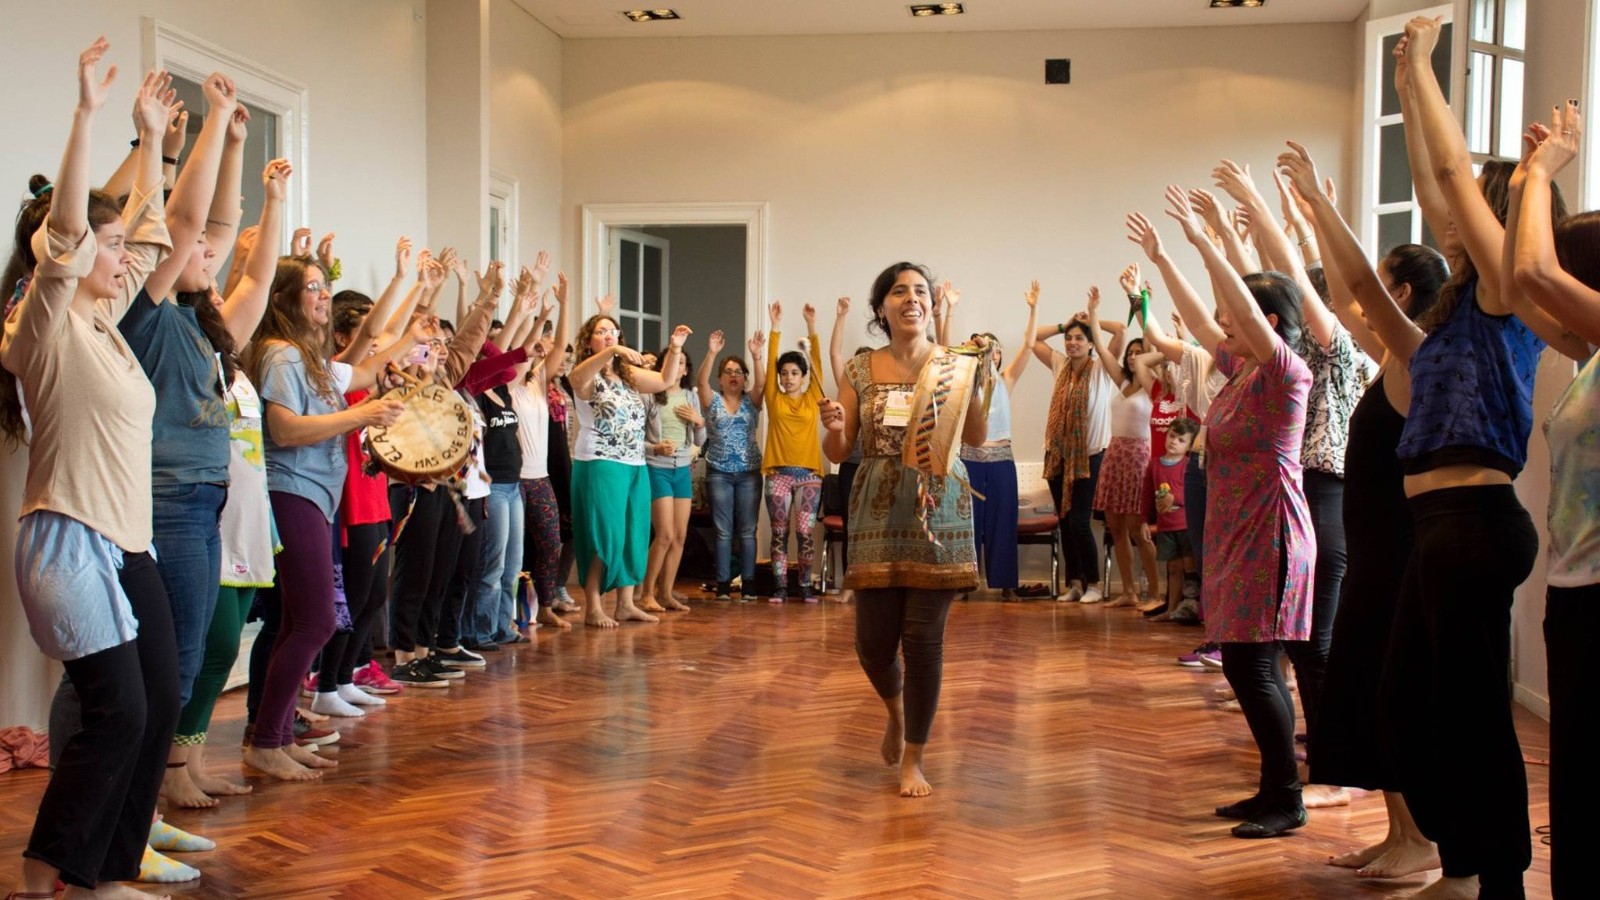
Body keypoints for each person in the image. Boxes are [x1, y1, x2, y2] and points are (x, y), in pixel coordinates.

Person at [1372, 19, 1584, 897]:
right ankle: (1467, 858)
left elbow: (1453, 179)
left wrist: (1422, 67)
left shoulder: (1503, 291)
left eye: (1473, 209)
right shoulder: (1462, 305)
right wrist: (1405, 83)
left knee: (1466, 713)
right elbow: (1437, 177)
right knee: (1409, 704)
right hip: (1441, 523)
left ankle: (1493, 874)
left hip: (1474, 522)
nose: (1445, 216)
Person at [1, 42, 180, 900]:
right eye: (110, 248)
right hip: (70, 539)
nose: (123, 256)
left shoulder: (107, 327)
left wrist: (152, 140)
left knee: (159, 710)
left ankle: (109, 872)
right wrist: (86, 117)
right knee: (119, 716)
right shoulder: (42, 330)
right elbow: (70, 234)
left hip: (130, 542)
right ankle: (42, 874)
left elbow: (142, 224)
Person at [1280, 134, 1451, 878]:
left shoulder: (1415, 354)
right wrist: (1307, 213)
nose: (1357, 299)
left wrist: (1320, 204)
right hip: (1375, 552)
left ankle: (1422, 841)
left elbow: (1348, 291)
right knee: (1370, 693)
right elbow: (1340, 293)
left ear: (1402, 295)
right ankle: (1398, 832)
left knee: (1397, 694)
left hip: (1397, 551)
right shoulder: (1386, 359)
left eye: (1378, 286)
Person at [1163, 185, 1317, 840]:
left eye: (1242, 316)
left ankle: (1287, 798)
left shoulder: (1286, 374)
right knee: (1243, 664)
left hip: (1271, 534)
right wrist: (1168, 257)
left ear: (1270, 323)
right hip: (1236, 534)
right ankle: (1271, 788)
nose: (1226, 324)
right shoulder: (1243, 370)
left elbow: (1237, 317)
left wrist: (1207, 241)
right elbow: (1202, 322)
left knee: (1254, 666)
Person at [242, 250, 414, 780]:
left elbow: (362, 366)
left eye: (324, 287)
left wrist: (415, 298)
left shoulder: (306, 356)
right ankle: (266, 740)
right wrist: (363, 412)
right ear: (283, 300)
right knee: (315, 619)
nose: (323, 296)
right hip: (291, 491)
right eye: (312, 288)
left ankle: (270, 734)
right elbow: (286, 431)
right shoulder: (281, 356)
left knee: (299, 620)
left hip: (314, 495)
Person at [821, 261, 986, 798]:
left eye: (920, 291)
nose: (911, 298)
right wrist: (837, 428)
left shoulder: (955, 362)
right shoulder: (861, 368)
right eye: (899, 291)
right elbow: (838, 451)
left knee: (922, 639)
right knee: (871, 645)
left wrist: (975, 382)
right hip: (874, 505)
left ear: (932, 305)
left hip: (939, 503)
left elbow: (978, 437)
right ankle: (896, 711)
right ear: (881, 308)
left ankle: (914, 756)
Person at [1507, 98, 1600, 900]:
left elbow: (1536, 275)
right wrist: (1522, 198)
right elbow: (1522, 283)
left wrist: (1541, 172)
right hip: (1574, 593)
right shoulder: (1590, 351)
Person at [568, 311, 692, 627]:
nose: (609, 335)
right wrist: (612, 351)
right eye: (601, 331)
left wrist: (675, 348)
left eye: (613, 331)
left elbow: (665, 380)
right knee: (604, 534)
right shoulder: (586, 375)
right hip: (600, 462)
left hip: (635, 463)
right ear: (589, 340)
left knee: (632, 534)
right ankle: (594, 606)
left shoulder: (628, 377)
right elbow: (577, 381)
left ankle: (625, 603)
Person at [946, 282, 1038, 601]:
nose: (992, 353)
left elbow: (1028, 346)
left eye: (996, 349)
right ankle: (964, 583)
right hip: (970, 459)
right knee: (968, 526)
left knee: (1003, 525)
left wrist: (1032, 308)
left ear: (999, 356)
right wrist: (950, 308)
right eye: (987, 349)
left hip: (1001, 462)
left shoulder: (1006, 379)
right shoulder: (966, 380)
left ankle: (1006, 584)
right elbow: (946, 349)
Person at [1033, 297, 1124, 604]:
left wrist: (1093, 319)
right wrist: (1064, 323)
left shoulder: (1101, 370)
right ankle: (1074, 583)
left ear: (1090, 344)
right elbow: (1033, 338)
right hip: (1058, 456)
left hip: (1090, 457)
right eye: (1068, 338)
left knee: (1080, 521)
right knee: (1064, 519)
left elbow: (1121, 330)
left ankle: (1094, 584)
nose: (1072, 343)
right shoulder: (1059, 365)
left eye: (1079, 338)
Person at [1086, 299, 1159, 609]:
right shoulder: (1123, 383)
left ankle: (1155, 593)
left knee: (1137, 530)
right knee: (1115, 528)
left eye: (1138, 353)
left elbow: (1156, 342)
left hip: (1139, 458)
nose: (1132, 357)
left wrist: (1143, 305)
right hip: (1115, 454)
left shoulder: (1151, 384)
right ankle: (1128, 591)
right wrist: (1093, 315)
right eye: (1130, 354)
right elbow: (1103, 350)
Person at [696, 328, 766, 601]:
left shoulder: (752, 401)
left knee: (748, 530)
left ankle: (749, 583)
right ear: (721, 378)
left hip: (749, 473)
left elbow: (762, 385)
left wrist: (756, 356)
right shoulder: (711, 400)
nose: (734, 375)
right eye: (729, 372)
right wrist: (712, 352)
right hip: (719, 474)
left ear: (744, 377)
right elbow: (701, 382)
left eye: (739, 372)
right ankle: (723, 583)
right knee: (723, 531)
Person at [762, 301, 825, 602]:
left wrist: (811, 326)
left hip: (810, 476)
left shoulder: (814, 396)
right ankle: (780, 587)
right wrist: (776, 326)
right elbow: (770, 361)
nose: (788, 378)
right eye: (784, 373)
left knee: (805, 533)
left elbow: (819, 366)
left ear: (803, 376)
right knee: (778, 534)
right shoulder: (774, 399)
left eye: (794, 373)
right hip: (778, 475)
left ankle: (805, 587)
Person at [638, 342, 705, 612]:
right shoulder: (650, 395)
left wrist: (699, 422)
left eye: (680, 363)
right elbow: (633, 438)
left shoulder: (691, 396)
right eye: (671, 362)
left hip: (682, 469)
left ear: (686, 369)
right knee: (664, 534)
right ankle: (645, 593)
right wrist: (655, 448)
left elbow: (700, 438)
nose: (676, 367)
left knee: (679, 535)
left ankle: (665, 593)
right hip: (657, 467)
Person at [1143, 417, 1200, 617]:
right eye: (1172, 436)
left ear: (1190, 446)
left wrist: (1173, 498)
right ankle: (1171, 609)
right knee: (1173, 568)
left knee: (1189, 566)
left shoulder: (1189, 465)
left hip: (1185, 525)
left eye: (1181, 440)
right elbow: (1147, 495)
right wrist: (1143, 521)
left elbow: (1193, 494)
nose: (1174, 441)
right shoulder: (1154, 465)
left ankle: (1192, 608)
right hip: (1165, 526)